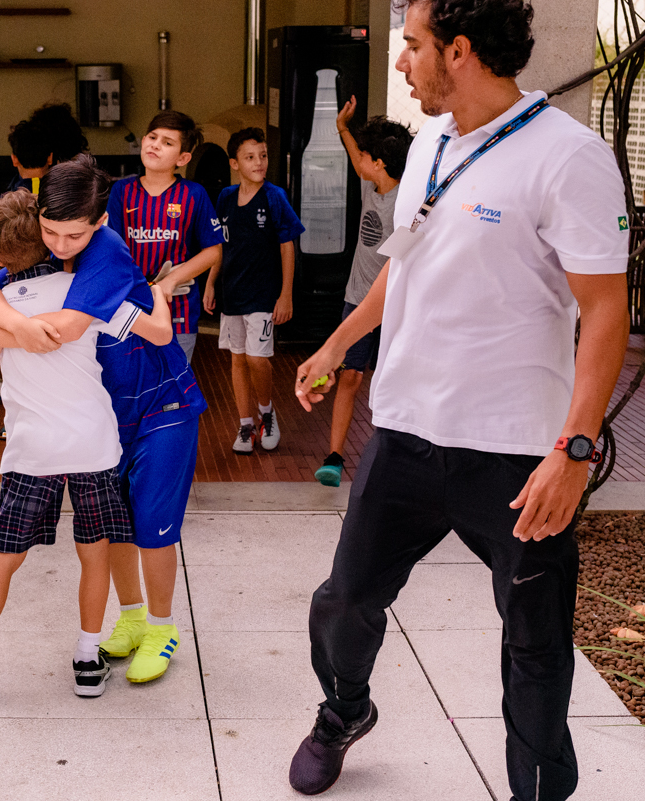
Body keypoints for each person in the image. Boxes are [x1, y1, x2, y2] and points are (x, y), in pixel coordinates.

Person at [288, 1, 629, 798]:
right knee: (343, 604)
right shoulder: (435, 140)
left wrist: (574, 451)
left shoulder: (567, 157)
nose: (401, 65)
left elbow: (607, 312)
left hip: (517, 451)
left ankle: (538, 788)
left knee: (536, 644)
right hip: (406, 431)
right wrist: (339, 345)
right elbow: (407, 255)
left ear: (461, 51)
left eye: (412, 46)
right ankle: (344, 710)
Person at [0, 155, 206, 685]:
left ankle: (163, 627)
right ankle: (131, 616)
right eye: (49, 231)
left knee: (151, 527)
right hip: (109, 414)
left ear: (98, 223)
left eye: (72, 235)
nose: (58, 245)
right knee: (116, 524)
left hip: (162, 406)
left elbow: (71, 326)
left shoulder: (106, 253)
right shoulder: (48, 249)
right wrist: (6, 318)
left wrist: (0, 336)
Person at [0, 188, 173, 705]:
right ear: (47, 239)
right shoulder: (85, 294)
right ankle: (88, 661)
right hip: (94, 447)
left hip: (31, 453)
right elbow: (156, 334)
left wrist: (4, 335)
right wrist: (158, 294)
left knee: (3, 559)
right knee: (94, 557)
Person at [314, 104, 413, 487]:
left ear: (382, 163)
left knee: (389, 381)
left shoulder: (409, 203)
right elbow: (356, 160)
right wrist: (342, 127)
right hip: (357, 298)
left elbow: (402, 260)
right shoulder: (371, 182)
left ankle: (389, 459)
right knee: (349, 376)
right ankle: (334, 457)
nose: (360, 163)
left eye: (367, 158)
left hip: (393, 306)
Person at [0, 102, 89, 410]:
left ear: (13, 158)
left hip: (16, 289)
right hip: (62, 286)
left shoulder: (12, 197)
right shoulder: (65, 191)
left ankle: (14, 398)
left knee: (21, 343)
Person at [205, 128, 304, 454]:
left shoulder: (274, 197)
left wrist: (285, 294)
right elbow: (220, 246)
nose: (259, 162)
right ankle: (245, 425)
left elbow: (287, 246)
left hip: (263, 294)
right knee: (237, 359)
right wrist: (210, 282)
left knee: (256, 358)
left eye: (262, 156)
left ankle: (267, 412)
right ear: (235, 163)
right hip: (232, 292)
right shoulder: (225, 198)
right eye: (250, 157)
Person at [106, 110, 224, 363]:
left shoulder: (194, 194)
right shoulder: (121, 191)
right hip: (129, 306)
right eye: (152, 137)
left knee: (175, 390)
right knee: (131, 387)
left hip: (178, 311)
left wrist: (169, 283)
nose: (155, 145)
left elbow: (213, 251)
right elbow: (110, 248)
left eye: (167, 142)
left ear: (183, 157)